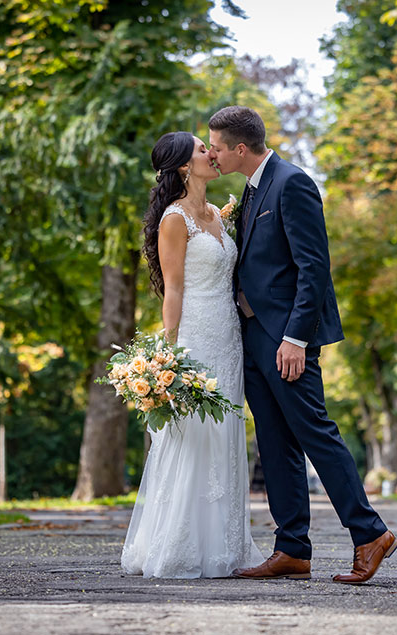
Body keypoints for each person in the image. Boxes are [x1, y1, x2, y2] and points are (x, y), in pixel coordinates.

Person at [207, 106, 397, 584]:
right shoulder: (249, 193)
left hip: (286, 338)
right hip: (251, 337)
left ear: (240, 149)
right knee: (274, 444)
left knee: (315, 432)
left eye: (215, 145)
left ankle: (370, 532)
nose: (210, 153)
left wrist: (296, 338)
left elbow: (314, 268)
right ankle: (292, 548)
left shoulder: (292, 183)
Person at [120, 131, 263, 579]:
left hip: (229, 335)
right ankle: (180, 546)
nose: (212, 153)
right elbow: (173, 288)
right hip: (196, 338)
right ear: (185, 165)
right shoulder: (174, 219)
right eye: (203, 149)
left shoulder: (218, 215)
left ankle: (226, 544)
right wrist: (169, 353)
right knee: (192, 436)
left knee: (225, 433)